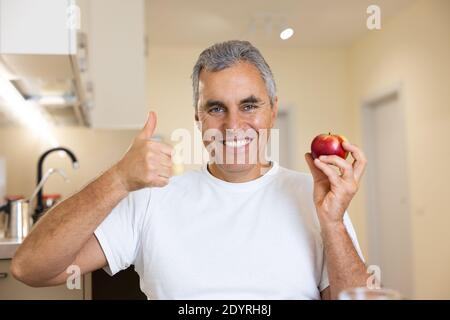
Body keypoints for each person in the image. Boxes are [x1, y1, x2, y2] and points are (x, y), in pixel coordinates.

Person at [11, 40, 368, 300]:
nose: (232, 125)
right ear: (197, 118)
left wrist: (334, 223)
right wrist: (118, 178)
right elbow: (31, 268)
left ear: (272, 109)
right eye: (215, 108)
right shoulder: (152, 199)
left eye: (249, 105)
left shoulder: (316, 200)